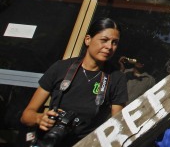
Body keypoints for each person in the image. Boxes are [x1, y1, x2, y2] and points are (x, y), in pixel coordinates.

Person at [20, 18, 128, 147]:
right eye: (104, 40)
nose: (109, 47)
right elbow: (26, 116)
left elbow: (116, 123)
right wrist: (40, 119)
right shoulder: (61, 68)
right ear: (88, 39)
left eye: (114, 43)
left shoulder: (116, 78)